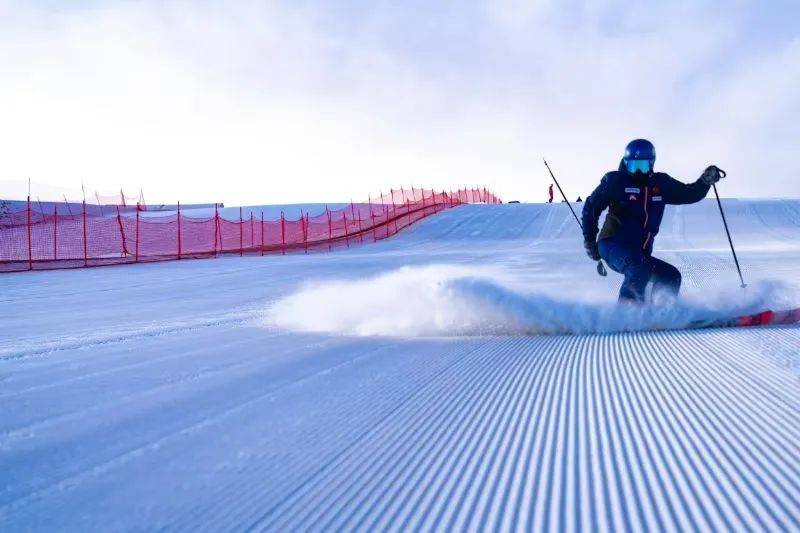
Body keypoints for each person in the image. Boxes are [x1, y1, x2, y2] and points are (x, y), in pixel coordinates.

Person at [581, 139, 724, 303]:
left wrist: (704, 182)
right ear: (626, 163)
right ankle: (626, 313)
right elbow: (591, 208)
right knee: (638, 267)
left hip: (639, 253)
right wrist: (590, 240)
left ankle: (661, 313)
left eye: (643, 166)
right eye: (634, 166)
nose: (638, 172)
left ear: (651, 164)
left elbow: (689, 193)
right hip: (612, 245)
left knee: (670, 276)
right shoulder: (616, 181)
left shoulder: (661, 184)